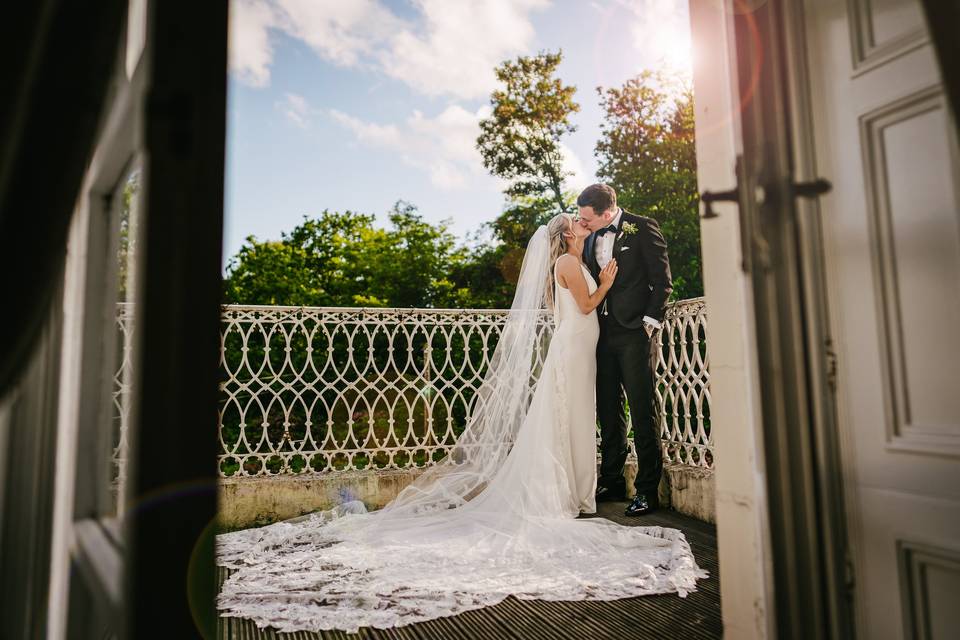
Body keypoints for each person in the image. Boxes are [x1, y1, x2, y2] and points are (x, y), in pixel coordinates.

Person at [216, 213, 703, 634]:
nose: (581, 225)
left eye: (582, 220)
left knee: (573, 420)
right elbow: (585, 305)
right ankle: (570, 493)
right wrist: (610, 285)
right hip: (577, 348)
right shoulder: (570, 263)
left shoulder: (573, 261)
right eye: (575, 223)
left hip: (578, 349)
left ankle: (577, 490)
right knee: (569, 420)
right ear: (566, 235)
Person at [577, 183, 672, 517]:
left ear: (607, 212)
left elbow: (663, 281)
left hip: (635, 333)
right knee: (609, 412)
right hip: (601, 335)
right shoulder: (589, 236)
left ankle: (647, 491)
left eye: (587, 219)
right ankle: (612, 481)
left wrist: (649, 323)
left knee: (642, 410)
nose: (583, 223)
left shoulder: (642, 227)